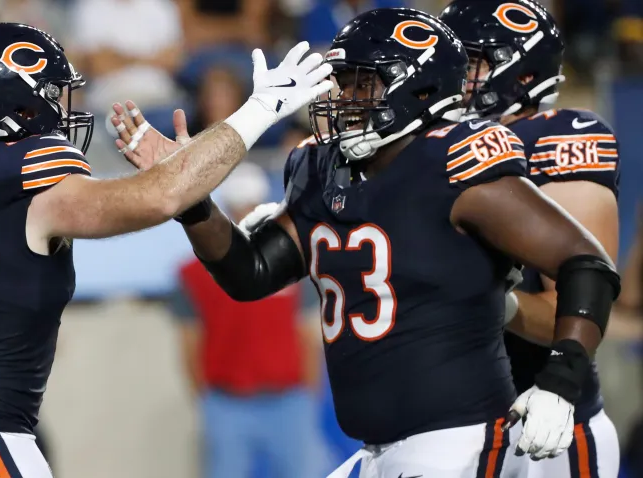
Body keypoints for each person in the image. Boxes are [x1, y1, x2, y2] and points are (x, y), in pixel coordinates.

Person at [114, 8, 622, 477]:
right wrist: (192, 202)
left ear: (418, 92)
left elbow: (587, 264)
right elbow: (250, 275)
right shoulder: (320, 168)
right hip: (377, 450)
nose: (341, 98)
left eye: (361, 84)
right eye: (340, 82)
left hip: (456, 441)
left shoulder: (454, 163)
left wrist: (561, 379)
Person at [0, 22, 334, 478]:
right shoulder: (23, 173)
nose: (64, 110)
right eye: (52, 97)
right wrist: (258, 111)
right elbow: (161, 195)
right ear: (17, 105)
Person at [439, 2, 622, 477]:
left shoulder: (559, 139)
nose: (456, 74)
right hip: (447, 423)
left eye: (472, 61)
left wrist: (490, 303)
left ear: (521, 75)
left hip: (544, 422)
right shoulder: (430, 145)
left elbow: (579, 309)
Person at [170, 162, 324, 478]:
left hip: (288, 398)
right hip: (227, 400)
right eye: (242, 206)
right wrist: (208, 397)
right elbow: (189, 340)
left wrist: (309, 392)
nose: (247, 213)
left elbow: (306, 333)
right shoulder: (192, 275)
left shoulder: (293, 263)